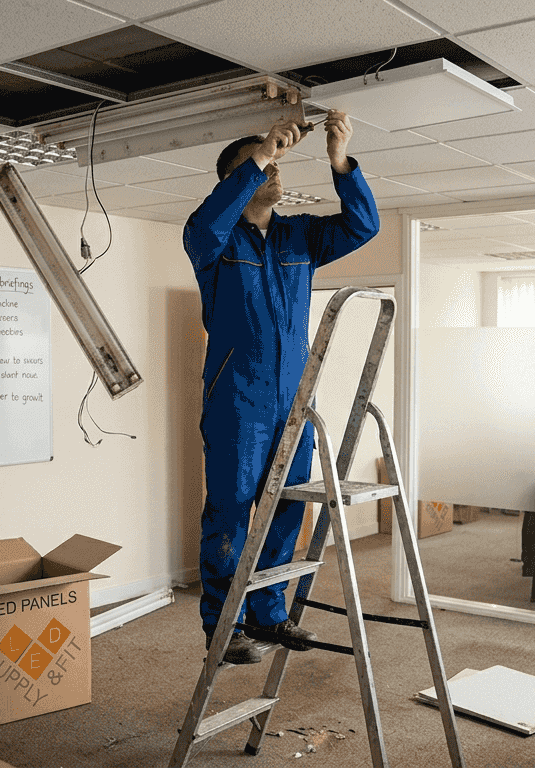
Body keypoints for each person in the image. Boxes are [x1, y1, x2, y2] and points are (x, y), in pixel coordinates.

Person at [182, 110, 380, 665]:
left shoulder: (300, 234)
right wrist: (262, 151)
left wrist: (340, 162)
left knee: (286, 508)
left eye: (273, 163)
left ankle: (269, 613)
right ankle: (224, 627)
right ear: (235, 178)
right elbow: (204, 226)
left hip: (293, 403)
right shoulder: (213, 242)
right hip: (236, 402)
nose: (275, 172)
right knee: (230, 510)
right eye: (261, 165)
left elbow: (363, 225)